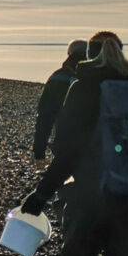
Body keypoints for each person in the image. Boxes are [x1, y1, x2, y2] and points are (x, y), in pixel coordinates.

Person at [21, 31, 128, 256]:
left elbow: (68, 150)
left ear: (89, 55)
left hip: (89, 196)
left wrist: (42, 193)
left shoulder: (83, 89)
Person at [33, 39, 89, 169]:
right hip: (97, 144)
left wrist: (39, 150)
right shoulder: (97, 76)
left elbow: (45, 116)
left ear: (69, 53)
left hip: (64, 143)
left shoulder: (57, 77)